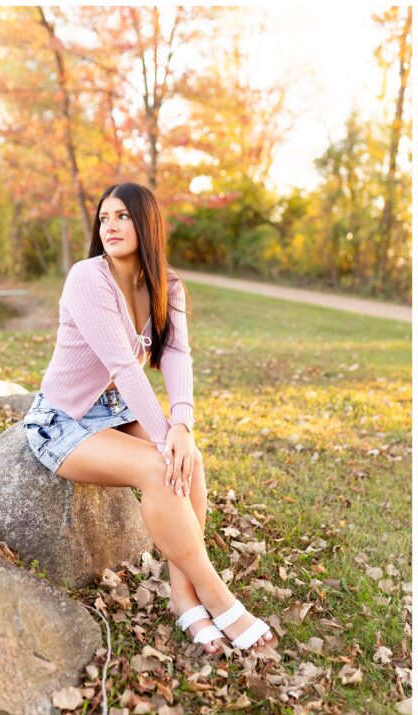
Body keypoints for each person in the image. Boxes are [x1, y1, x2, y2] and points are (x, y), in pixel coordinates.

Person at [22, 182, 277, 655]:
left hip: (116, 411)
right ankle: (217, 595)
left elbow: (177, 353)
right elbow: (122, 365)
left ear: (147, 223)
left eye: (123, 216)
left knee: (190, 461)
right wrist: (164, 439)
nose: (111, 226)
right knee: (162, 466)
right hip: (63, 420)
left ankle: (182, 596)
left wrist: (182, 427)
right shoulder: (86, 277)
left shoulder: (167, 284)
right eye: (104, 218)